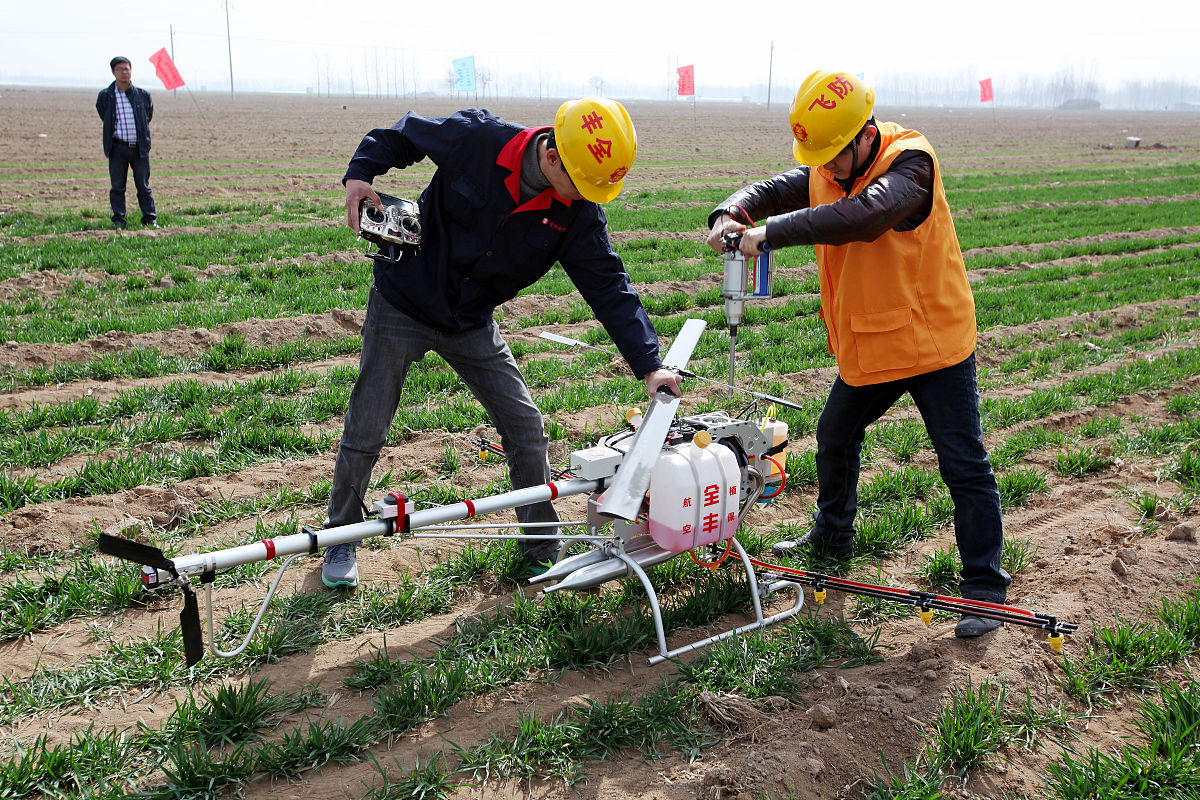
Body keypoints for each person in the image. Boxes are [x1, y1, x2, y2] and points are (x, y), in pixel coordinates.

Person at [322, 98, 682, 588]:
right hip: (402, 301)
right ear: (552, 157)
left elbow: (608, 285)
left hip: (470, 320)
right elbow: (402, 135)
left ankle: (541, 547)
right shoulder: (477, 138)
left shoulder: (576, 214)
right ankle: (339, 536)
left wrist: (649, 364)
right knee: (367, 425)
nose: (586, 197)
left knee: (524, 426)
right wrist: (360, 173)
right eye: (583, 184)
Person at [706, 70, 1009, 638]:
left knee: (962, 462)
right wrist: (732, 211)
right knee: (835, 434)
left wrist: (766, 236)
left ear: (864, 134)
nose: (824, 168)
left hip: (933, 342)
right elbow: (775, 189)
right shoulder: (828, 168)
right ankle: (832, 535)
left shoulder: (911, 164)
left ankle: (985, 587)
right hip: (876, 341)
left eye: (832, 155)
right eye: (817, 157)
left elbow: (865, 216)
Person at [95, 56, 157, 230]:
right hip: (118, 148)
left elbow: (147, 116)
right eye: (120, 69)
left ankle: (150, 219)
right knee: (117, 187)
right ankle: (119, 221)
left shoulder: (142, 95)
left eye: (127, 68)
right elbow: (104, 115)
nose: (124, 72)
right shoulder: (106, 96)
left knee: (143, 186)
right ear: (114, 72)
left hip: (139, 148)